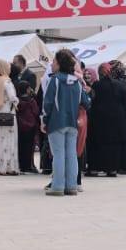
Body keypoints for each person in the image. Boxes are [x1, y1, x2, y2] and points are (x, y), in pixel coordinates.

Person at [43, 48, 89, 196]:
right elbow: (86, 102)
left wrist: (44, 120)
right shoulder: (77, 82)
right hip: (73, 123)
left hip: (56, 122)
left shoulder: (55, 80)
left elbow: (48, 103)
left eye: (54, 61)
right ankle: (71, 186)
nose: (52, 64)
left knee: (58, 154)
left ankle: (57, 186)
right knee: (71, 154)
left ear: (60, 63)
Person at [85, 61, 126, 177]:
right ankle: (112, 169)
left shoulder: (96, 85)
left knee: (97, 144)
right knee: (113, 145)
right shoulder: (121, 85)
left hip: (99, 120)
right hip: (117, 120)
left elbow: (93, 101)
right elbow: (125, 103)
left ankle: (94, 169)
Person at [0, 59, 20, 175]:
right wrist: (17, 102)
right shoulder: (7, 82)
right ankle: (9, 167)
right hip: (8, 112)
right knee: (9, 140)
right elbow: (13, 97)